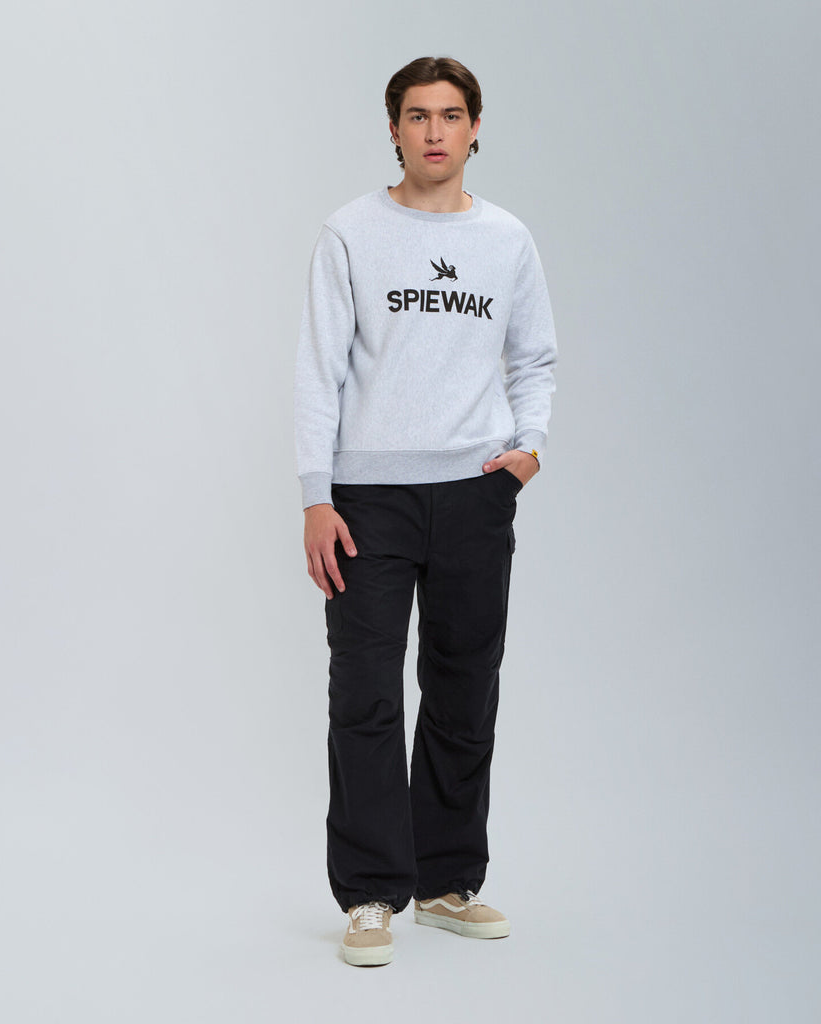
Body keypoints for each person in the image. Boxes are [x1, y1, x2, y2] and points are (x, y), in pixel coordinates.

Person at [294, 56, 557, 967]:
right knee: (365, 692)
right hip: (368, 500)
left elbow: (535, 357)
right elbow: (318, 371)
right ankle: (371, 893)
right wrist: (317, 496)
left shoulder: (506, 240)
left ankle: (447, 884)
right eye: (417, 115)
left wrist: (528, 449)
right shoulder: (350, 233)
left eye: (451, 115)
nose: (435, 131)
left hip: (475, 493)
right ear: (394, 129)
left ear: (475, 129)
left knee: (463, 686)